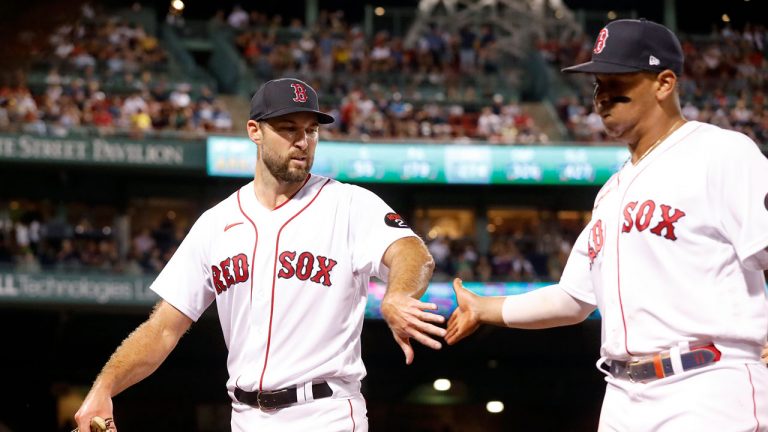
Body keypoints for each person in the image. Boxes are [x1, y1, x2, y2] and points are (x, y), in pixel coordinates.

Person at [446, 19, 768, 430]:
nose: (603, 97)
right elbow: (572, 299)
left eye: (618, 81)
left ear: (664, 83)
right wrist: (485, 307)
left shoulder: (722, 152)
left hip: (706, 384)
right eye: (599, 84)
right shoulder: (612, 191)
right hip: (622, 394)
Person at [74, 78, 446, 431]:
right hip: (245, 417)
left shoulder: (348, 204)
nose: (302, 141)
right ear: (255, 131)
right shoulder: (215, 223)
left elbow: (411, 253)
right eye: (288, 129)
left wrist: (399, 293)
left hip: (325, 413)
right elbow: (162, 328)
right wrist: (104, 387)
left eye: (311, 130)